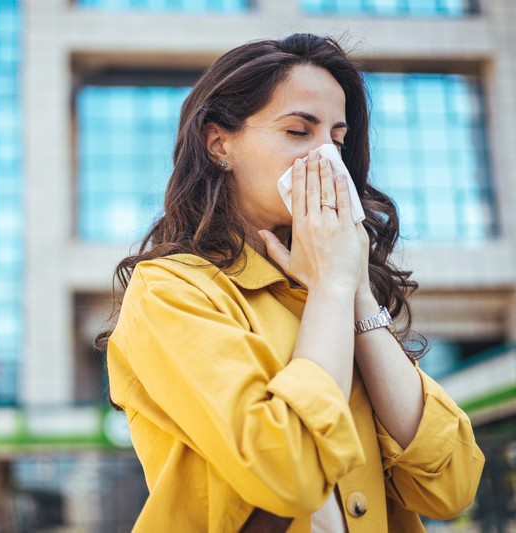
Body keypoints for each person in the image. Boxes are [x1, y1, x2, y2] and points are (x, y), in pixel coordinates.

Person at [97, 33, 484, 532]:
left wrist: (353, 288)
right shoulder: (173, 291)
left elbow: (452, 486)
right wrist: (330, 290)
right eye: (299, 132)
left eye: (337, 140)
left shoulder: (334, 288)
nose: (326, 158)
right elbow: (289, 473)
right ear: (220, 144)